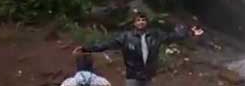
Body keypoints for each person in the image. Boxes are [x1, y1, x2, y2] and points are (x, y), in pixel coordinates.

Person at [73, 9, 204, 86]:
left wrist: (190, 33)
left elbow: (172, 37)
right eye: (138, 20)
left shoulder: (155, 35)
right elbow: (105, 45)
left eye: (143, 20)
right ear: (134, 23)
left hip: (148, 76)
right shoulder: (125, 37)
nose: (141, 22)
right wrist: (86, 48)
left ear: (147, 22)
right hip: (132, 77)